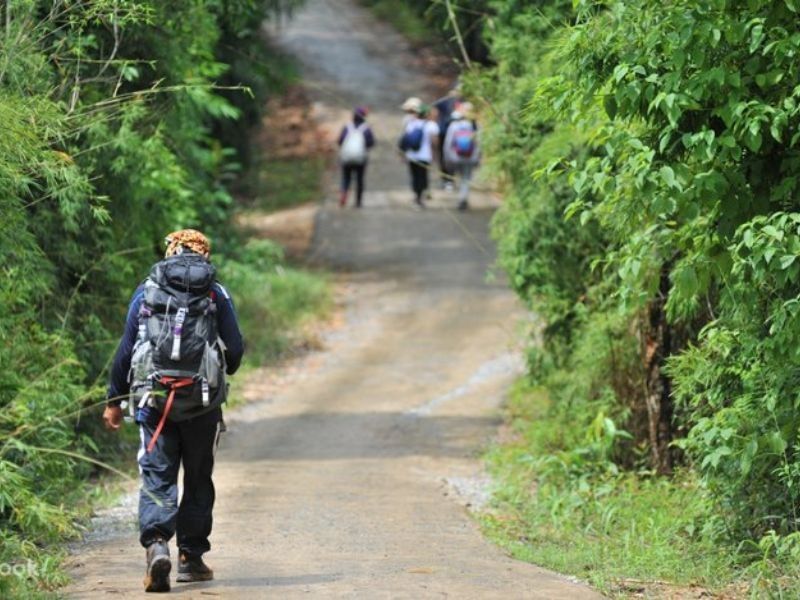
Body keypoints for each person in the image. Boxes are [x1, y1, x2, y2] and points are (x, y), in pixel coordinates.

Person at [103, 229, 244, 593]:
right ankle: (191, 559)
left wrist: (114, 402)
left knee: (157, 475)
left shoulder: (148, 288)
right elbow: (237, 350)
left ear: (171, 251)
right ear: (204, 255)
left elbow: (126, 350)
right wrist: (217, 370)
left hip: (154, 403)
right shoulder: (216, 291)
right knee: (198, 477)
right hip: (202, 404)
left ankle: (156, 546)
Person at [399, 100, 439, 208]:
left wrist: (402, 154)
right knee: (423, 176)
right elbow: (434, 142)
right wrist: (435, 154)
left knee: (414, 176)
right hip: (425, 156)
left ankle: (416, 196)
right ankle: (420, 198)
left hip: (412, 156)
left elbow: (405, 140)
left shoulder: (411, 124)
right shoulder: (431, 125)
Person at [443, 104, 480, 210]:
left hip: (456, 157)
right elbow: (479, 143)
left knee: (460, 177)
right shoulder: (474, 126)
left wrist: (447, 158)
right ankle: (463, 199)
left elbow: (448, 143)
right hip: (470, 157)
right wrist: (477, 157)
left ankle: (461, 198)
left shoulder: (454, 125)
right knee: (466, 178)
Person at [337, 106, 375, 208]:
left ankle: (344, 193)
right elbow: (371, 143)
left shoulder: (347, 127)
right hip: (360, 158)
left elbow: (340, 141)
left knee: (346, 177)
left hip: (347, 157)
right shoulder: (366, 128)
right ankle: (358, 201)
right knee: (359, 179)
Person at [433, 86, 463, 190]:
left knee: (444, 157)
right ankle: (449, 180)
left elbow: (434, 107)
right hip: (451, 133)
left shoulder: (447, 102)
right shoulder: (458, 103)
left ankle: (447, 179)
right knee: (450, 157)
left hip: (446, 132)